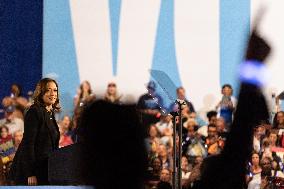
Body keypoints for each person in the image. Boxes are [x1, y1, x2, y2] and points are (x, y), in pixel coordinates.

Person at [9, 78, 60, 185]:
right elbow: (28, 144)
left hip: (46, 170)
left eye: (55, 90)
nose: (52, 93)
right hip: (32, 173)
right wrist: (30, 173)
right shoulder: (34, 111)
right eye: (48, 90)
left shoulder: (50, 113)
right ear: (41, 92)